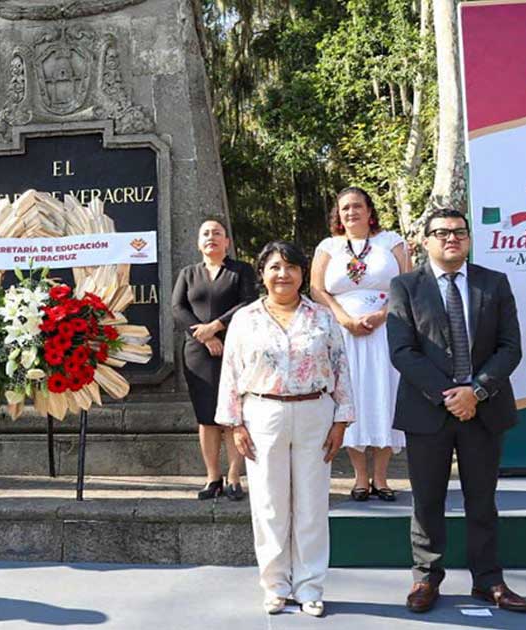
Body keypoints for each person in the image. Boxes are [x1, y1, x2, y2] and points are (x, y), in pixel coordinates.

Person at [387, 208, 526, 614]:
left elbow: (510, 347)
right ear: (426, 240)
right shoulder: (405, 286)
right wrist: (451, 393)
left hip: (484, 411)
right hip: (427, 410)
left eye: (459, 232)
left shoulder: (494, 283)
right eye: (442, 233)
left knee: (482, 500)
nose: (451, 238)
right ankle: (426, 579)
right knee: (427, 500)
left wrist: (477, 392)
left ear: (468, 239)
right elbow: (402, 351)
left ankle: (488, 581)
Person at [216, 240, 353, 618]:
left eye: (291, 267)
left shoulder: (322, 317)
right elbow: (230, 374)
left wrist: (342, 420)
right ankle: (275, 585)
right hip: (262, 415)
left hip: (314, 414)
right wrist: (236, 426)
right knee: (269, 505)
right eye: (275, 267)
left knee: (311, 504)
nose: (283, 274)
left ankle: (310, 586)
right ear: (262, 273)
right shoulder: (245, 319)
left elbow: (341, 369)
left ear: (302, 273)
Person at [311, 187, 409, 501]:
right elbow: (316, 288)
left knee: (382, 395)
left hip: (384, 332)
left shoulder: (392, 242)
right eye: (344, 209)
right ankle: (360, 477)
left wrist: (382, 315)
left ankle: (381, 477)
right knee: (352, 398)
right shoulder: (329, 247)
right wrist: (343, 318)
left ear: (369, 211)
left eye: (357, 207)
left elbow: (408, 284)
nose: (351, 213)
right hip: (344, 334)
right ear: (337, 216)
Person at [171, 217, 257, 500]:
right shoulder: (188, 273)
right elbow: (178, 307)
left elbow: (247, 302)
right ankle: (212, 478)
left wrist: (216, 327)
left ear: (227, 241)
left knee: (234, 415)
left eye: (217, 233)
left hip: (235, 347)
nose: (211, 237)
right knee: (207, 417)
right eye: (205, 233)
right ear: (199, 242)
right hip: (198, 352)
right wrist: (204, 336)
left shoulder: (240, 271)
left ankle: (234, 476)